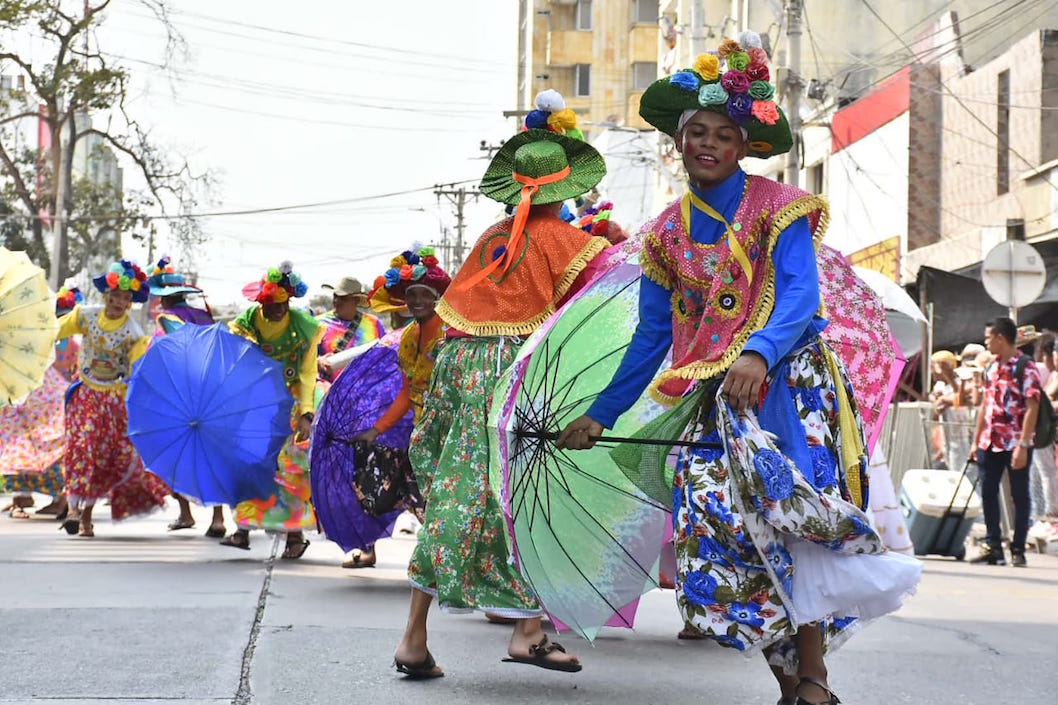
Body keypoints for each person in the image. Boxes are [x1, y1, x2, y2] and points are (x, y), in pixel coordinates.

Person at [558, 34, 920, 705]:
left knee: (794, 519)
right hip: (719, 400)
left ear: (744, 146)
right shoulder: (666, 233)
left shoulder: (778, 206)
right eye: (697, 132)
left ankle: (811, 680)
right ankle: (792, 677)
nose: (708, 144)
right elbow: (650, 338)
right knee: (721, 528)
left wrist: (757, 352)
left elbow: (798, 294)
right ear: (679, 140)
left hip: (790, 384)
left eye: (723, 135)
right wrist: (599, 414)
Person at [392, 91, 609, 679]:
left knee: (459, 494)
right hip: (520, 372)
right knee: (536, 495)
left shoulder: (492, 236)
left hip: (459, 363)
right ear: (567, 191)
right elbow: (603, 314)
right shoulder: (573, 244)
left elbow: (459, 308)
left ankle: (416, 636)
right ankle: (528, 630)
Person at [334, 247, 451, 570]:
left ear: (437, 297)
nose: (415, 301)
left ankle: (442, 564)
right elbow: (405, 392)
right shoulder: (411, 336)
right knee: (421, 495)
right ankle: (434, 562)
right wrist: (376, 430)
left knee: (442, 498)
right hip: (422, 431)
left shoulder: (449, 332)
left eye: (423, 294)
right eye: (410, 295)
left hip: (451, 431)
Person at [56, 261, 171, 537]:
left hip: (112, 400)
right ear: (105, 295)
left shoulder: (134, 334)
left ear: (131, 302)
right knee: (81, 447)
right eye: (115, 295)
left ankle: (86, 516)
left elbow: (136, 372)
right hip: (83, 392)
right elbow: (53, 330)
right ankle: (72, 509)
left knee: (103, 456)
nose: (119, 301)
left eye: (125, 297)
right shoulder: (84, 316)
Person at [221, 262, 322, 560]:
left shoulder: (303, 327)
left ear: (289, 301)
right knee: (248, 465)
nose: (276, 310)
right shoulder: (245, 323)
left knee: (291, 472)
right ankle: (242, 529)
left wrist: (306, 412)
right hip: (252, 406)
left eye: (281, 304)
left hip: (288, 408)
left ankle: (294, 535)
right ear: (260, 301)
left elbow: (307, 372)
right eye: (269, 304)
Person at [145, 257, 227, 538]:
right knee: (211, 455)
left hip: (180, 397)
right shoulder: (204, 316)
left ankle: (186, 513)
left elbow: (162, 357)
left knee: (172, 455)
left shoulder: (167, 319)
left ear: (164, 299)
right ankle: (217, 519)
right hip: (211, 394)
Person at [970, 317, 1041, 567]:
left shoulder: (1025, 366)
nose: (987, 342)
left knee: (1019, 496)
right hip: (990, 442)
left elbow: (1033, 407)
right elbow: (985, 406)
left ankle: (1018, 548)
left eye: (989, 337)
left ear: (1000, 338)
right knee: (988, 493)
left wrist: (1023, 445)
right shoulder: (990, 367)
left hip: (1015, 442)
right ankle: (993, 546)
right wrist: (976, 441)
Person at [316, 277, 385, 382]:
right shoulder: (319, 325)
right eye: (335, 296)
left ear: (356, 300)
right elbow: (303, 359)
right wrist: (318, 361)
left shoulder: (374, 324)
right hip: (330, 394)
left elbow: (386, 356)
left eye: (343, 298)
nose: (336, 301)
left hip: (366, 393)